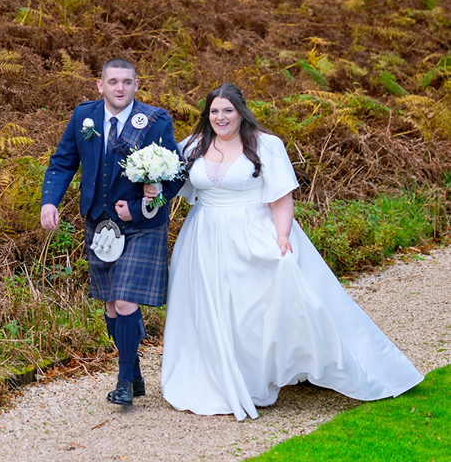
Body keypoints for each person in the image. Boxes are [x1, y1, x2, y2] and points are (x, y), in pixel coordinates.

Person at [156, 82, 423, 420]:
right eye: (214, 111)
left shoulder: (266, 145)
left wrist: (282, 237)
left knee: (253, 309)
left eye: (227, 110)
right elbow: (172, 182)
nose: (220, 117)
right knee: (208, 308)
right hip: (202, 237)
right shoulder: (193, 145)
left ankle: (257, 374)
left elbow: (282, 196)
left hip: (252, 232)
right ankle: (212, 373)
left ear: (241, 111)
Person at [40, 58, 184, 405]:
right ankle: (133, 374)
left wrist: (137, 208)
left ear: (137, 85)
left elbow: (176, 174)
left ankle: (123, 383)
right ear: (100, 85)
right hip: (99, 222)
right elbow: (63, 161)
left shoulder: (154, 122)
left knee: (124, 300)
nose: (120, 88)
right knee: (109, 305)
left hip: (142, 225)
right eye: (113, 81)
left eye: (127, 82)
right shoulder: (83, 117)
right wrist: (50, 201)